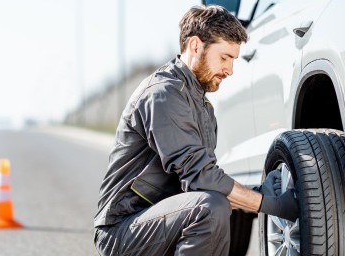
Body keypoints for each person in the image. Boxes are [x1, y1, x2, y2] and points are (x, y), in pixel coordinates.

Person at [94, 5, 299, 256]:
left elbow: (208, 184)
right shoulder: (163, 94)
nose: (230, 70)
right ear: (195, 46)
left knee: (214, 203)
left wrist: (259, 195)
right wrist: (268, 204)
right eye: (224, 58)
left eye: (233, 60)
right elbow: (200, 177)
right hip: (122, 232)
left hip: (159, 223)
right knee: (210, 208)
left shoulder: (202, 106)